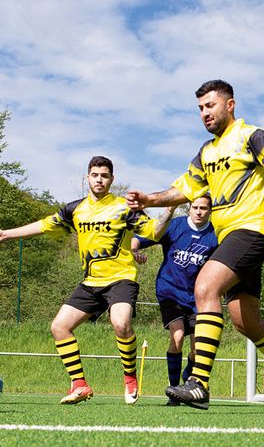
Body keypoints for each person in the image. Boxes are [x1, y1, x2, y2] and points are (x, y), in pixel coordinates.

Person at [126, 79, 264, 411]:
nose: (204, 113)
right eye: (200, 108)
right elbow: (184, 190)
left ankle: (199, 383)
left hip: (253, 230)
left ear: (230, 105)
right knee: (245, 321)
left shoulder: (251, 135)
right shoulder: (206, 152)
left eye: (210, 105)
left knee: (205, 287)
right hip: (231, 238)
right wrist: (150, 199)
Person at [0, 156, 170, 404]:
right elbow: (44, 225)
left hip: (121, 278)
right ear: (87, 177)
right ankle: (79, 385)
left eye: (104, 175)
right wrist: (6, 234)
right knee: (59, 327)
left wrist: (170, 208)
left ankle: (130, 376)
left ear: (112, 180)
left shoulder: (125, 208)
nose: (99, 179)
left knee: (120, 323)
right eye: (95, 175)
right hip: (90, 282)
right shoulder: (74, 209)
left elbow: (154, 231)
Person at [131, 196, 218, 405]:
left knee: (198, 349)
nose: (198, 212)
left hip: (198, 297)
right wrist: (134, 249)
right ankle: (174, 392)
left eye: (203, 208)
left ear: (210, 211)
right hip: (169, 291)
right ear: (189, 208)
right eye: (195, 207)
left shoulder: (215, 235)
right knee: (177, 336)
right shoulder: (175, 226)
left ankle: (188, 381)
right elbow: (141, 237)